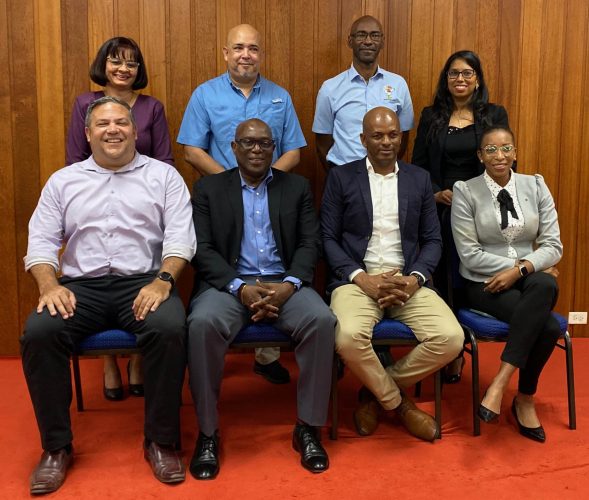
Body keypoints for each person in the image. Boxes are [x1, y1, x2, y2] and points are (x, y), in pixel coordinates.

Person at [21, 97, 196, 494]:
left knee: (169, 328)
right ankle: (56, 447)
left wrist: (163, 281)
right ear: (88, 133)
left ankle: (161, 441)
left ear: (136, 130)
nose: (113, 129)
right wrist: (49, 286)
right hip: (81, 289)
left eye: (121, 122)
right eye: (103, 124)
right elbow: (42, 241)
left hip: (145, 283)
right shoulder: (63, 181)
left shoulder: (164, 177)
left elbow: (180, 237)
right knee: (39, 333)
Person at [186, 118, 336, 479]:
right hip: (229, 286)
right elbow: (201, 250)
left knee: (322, 320)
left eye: (264, 144)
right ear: (233, 148)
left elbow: (308, 243)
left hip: (284, 283)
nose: (256, 149)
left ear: (274, 149)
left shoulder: (296, 186)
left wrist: (288, 286)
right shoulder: (209, 189)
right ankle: (207, 432)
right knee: (201, 323)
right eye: (248, 143)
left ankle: (308, 427)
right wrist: (239, 287)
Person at [321, 107, 463, 441]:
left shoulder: (418, 179)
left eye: (393, 134)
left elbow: (432, 240)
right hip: (358, 281)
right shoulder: (341, 177)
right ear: (363, 139)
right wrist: (361, 278)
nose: (387, 142)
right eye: (378, 135)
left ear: (401, 137)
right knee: (346, 337)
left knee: (451, 339)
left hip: (408, 282)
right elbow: (326, 238)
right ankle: (399, 405)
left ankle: (376, 392)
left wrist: (414, 279)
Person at [178, 24, 307, 382]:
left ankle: (266, 358)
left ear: (260, 54)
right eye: (238, 48)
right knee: (231, 261)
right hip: (222, 203)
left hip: (270, 195)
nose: (245, 55)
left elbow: (294, 150)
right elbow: (191, 149)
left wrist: (267, 182)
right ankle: (214, 358)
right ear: (225, 53)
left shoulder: (280, 96)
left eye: (252, 48)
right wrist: (231, 184)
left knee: (270, 257)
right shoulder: (204, 95)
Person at [66, 36, 175, 400]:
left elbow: (165, 159)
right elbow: (74, 161)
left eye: (131, 63)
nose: (123, 69)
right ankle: (111, 363)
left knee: (139, 272)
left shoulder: (152, 107)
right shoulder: (85, 103)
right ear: (104, 65)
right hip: (96, 200)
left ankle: (138, 361)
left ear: (139, 70)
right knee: (99, 264)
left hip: (143, 204)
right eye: (116, 61)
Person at [451, 126, 563, 443]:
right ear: (480, 156)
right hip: (483, 284)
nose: (499, 156)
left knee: (542, 286)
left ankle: (501, 381)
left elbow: (554, 245)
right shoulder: (466, 191)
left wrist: (521, 270)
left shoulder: (536, 185)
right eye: (490, 150)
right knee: (549, 327)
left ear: (514, 152)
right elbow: (470, 255)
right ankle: (524, 397)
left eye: (505, 149)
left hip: (528, 282)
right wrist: (527, 267)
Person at [412, 50, 509, 383]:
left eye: (468, 73)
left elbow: (503, 162)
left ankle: (464, 339)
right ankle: (447, 347)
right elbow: (418, 166)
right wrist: (436, 192)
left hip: (480, 209)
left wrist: (475, 196)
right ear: (446, 79)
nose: (461, 79)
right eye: (454, 73)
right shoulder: (431, 115)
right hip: (440, 207)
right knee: (441, 280)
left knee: (470, 276)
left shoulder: (494, 114)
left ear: (478, 79)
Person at [313, 15, 413, 168]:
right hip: (343, 174)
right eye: (361, 35)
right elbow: (322, 143)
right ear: (350, 41)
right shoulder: (330, 88)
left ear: (382, 42)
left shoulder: (398, 84)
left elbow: (403, 137)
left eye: (375, 35)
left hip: (385, 174)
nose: (368, 41)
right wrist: (338, 176)